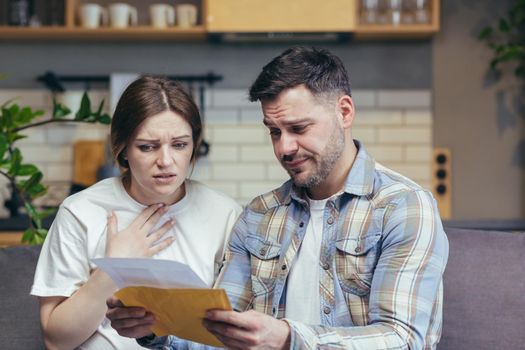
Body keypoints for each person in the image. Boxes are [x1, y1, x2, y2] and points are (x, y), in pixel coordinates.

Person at [108, 46, 449, 349]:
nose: (284, 147)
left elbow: (402, 340)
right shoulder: (259, 215)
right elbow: (220, 331)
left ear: (344, 113)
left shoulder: (403, 207)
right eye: (274, 132)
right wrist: (156, 329)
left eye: (299, 129)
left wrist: (288, 339)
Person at [30, 75, 242, 350]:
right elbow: (57, 340)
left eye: (179, 145)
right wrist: (113, 268)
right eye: (147, 147)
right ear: (124, 150)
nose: (166, 161)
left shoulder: (225, 214)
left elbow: (237, 329)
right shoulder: (80, 211)